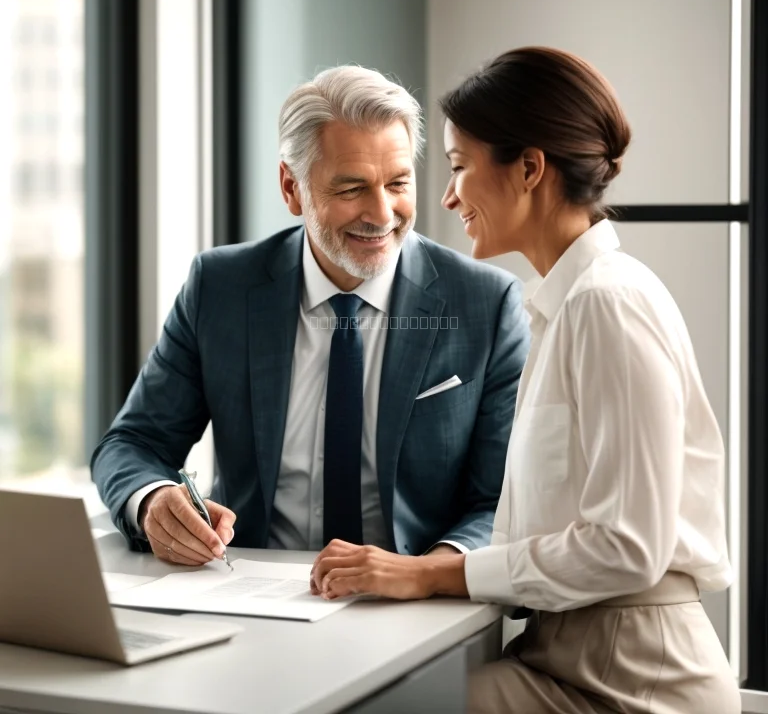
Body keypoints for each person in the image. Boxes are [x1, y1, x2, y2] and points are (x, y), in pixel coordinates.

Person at [310, 48, 739, 713]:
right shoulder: (562, 307)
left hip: (632, 680)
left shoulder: (608, 303)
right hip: (569, 655)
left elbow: (628, 547)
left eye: (458, 167)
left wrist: (430, 573)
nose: (447, 197)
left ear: (530, 168)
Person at [90, 65, 531, 568]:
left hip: (415, 598)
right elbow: (132, 443)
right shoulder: (220, 287)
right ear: (291, 187)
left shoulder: (486, 305)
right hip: (247, 589)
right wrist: (152, 500)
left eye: (398, 183)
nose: (383, 213)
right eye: (351, 189)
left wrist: (426, 573)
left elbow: (501, 500)